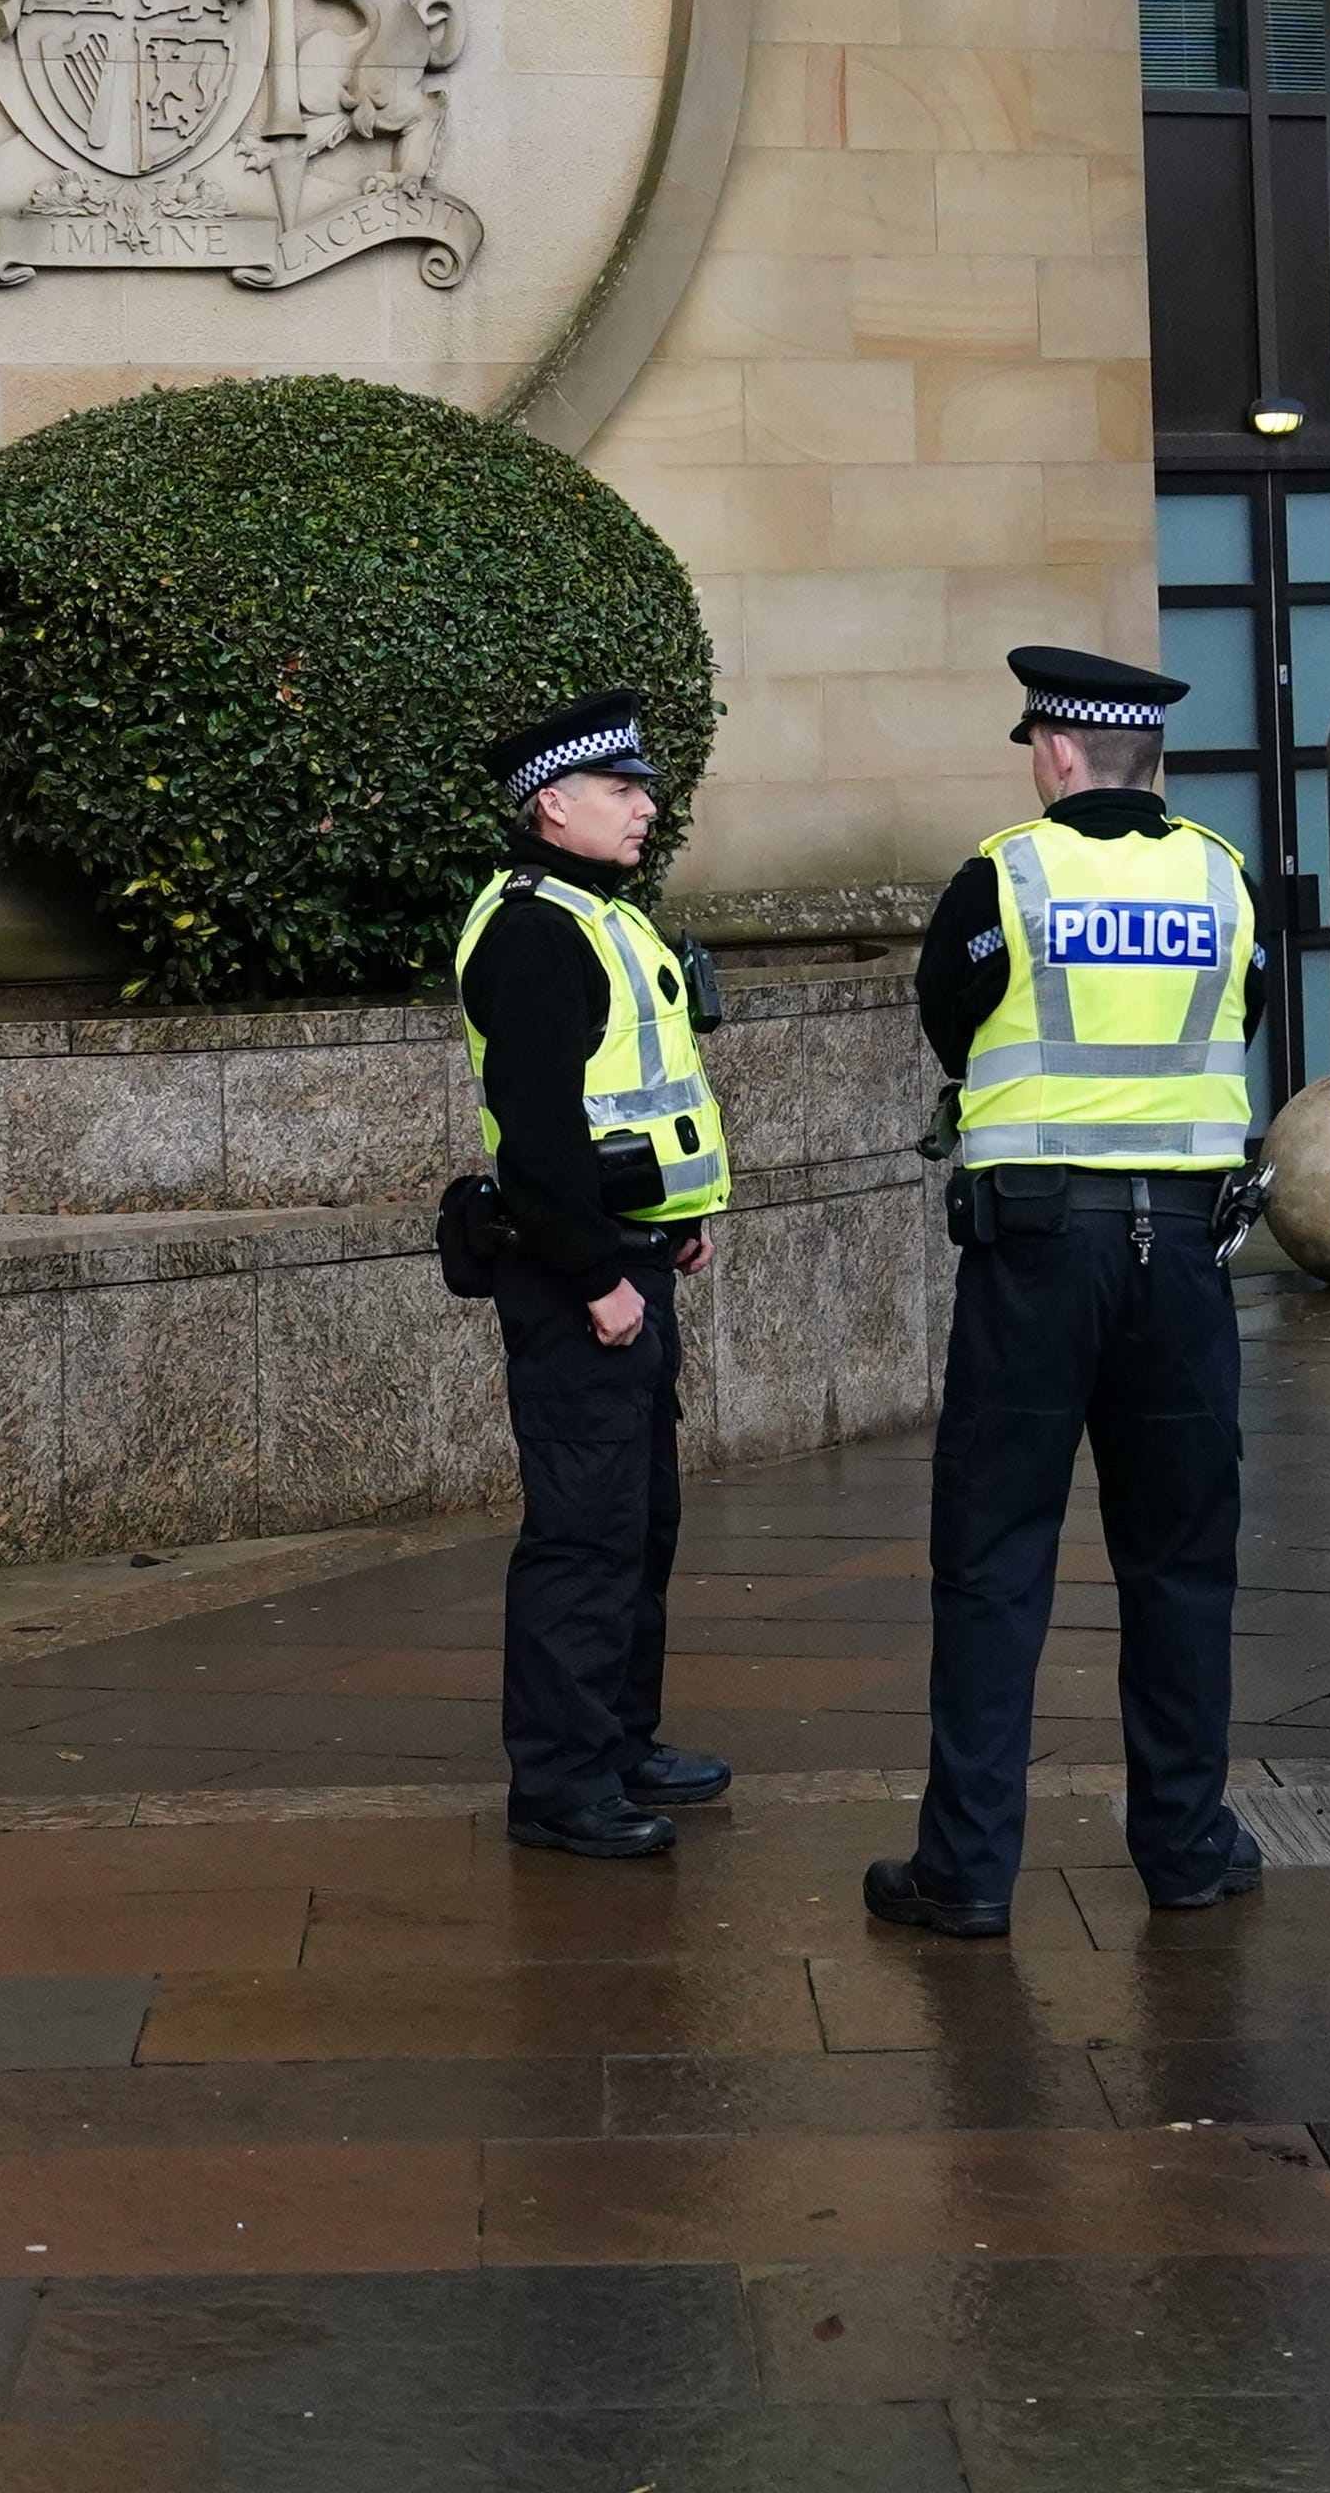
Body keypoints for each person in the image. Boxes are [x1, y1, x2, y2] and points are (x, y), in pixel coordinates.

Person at [864, 645, 1265, 1941]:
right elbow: (1244, 1016)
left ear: (1058, 754)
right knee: (1183, 1565)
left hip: (1037, 1254)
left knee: (993, 1559)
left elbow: (949, 1011)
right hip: (1188, 1262)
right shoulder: (1222, 875)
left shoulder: (1008, 873)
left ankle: (969, 1873)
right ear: (1153, 763)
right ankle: (1188, 1849)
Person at [449, 687, 735, 1860]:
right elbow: (538, 1137)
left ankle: (619, 1737)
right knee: (582, 1531)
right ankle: (562, 1783)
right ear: (552, 803)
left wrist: (674, 1223)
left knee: (639, 1521)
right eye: (623, 790)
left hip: (632, 1261)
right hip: (580, 1284)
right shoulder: (532, 929)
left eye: (645, 787)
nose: (646, 807)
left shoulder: (600, 913)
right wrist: (593, 1278)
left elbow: (638, 1102)